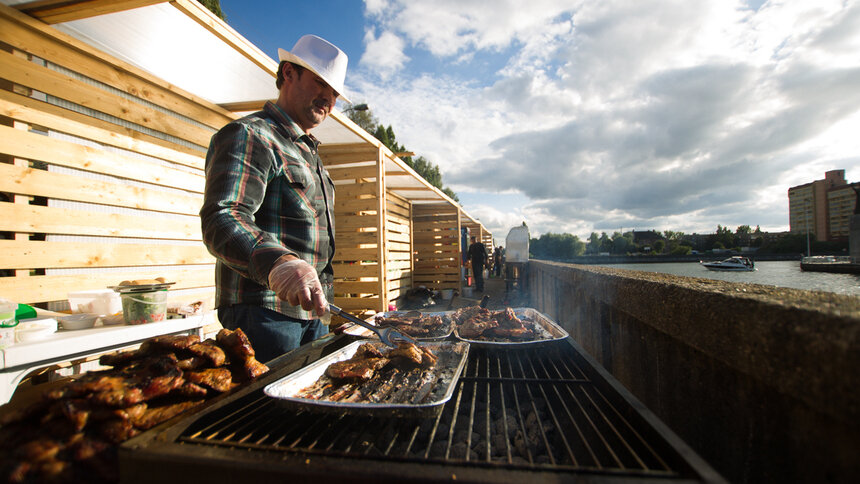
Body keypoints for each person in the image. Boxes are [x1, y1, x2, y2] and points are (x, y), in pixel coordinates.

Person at [200, 34, 350, 362]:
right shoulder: (252, 135)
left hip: (313, 315)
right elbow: (222, 217)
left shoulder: (308, 152)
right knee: (271, 412)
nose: (328, 97)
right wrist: (279, 263)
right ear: (288, 74)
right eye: (319, 83)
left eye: (334, 92)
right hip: (264, 314)